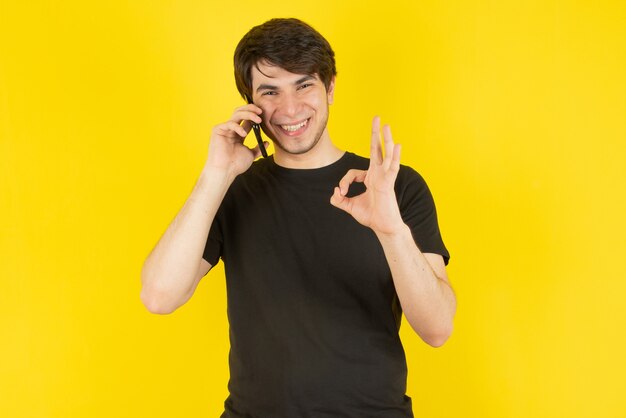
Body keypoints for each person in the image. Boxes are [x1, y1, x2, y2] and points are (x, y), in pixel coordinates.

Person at [141, 17, 456, 418]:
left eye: (304, 84)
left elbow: (437, 329)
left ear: (330, 86)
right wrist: (215, 175)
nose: (289, 108)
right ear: (250, 104)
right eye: (270, 91)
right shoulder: (233, 190)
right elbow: (158, 296)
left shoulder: (393, 186)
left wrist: (390, 229)